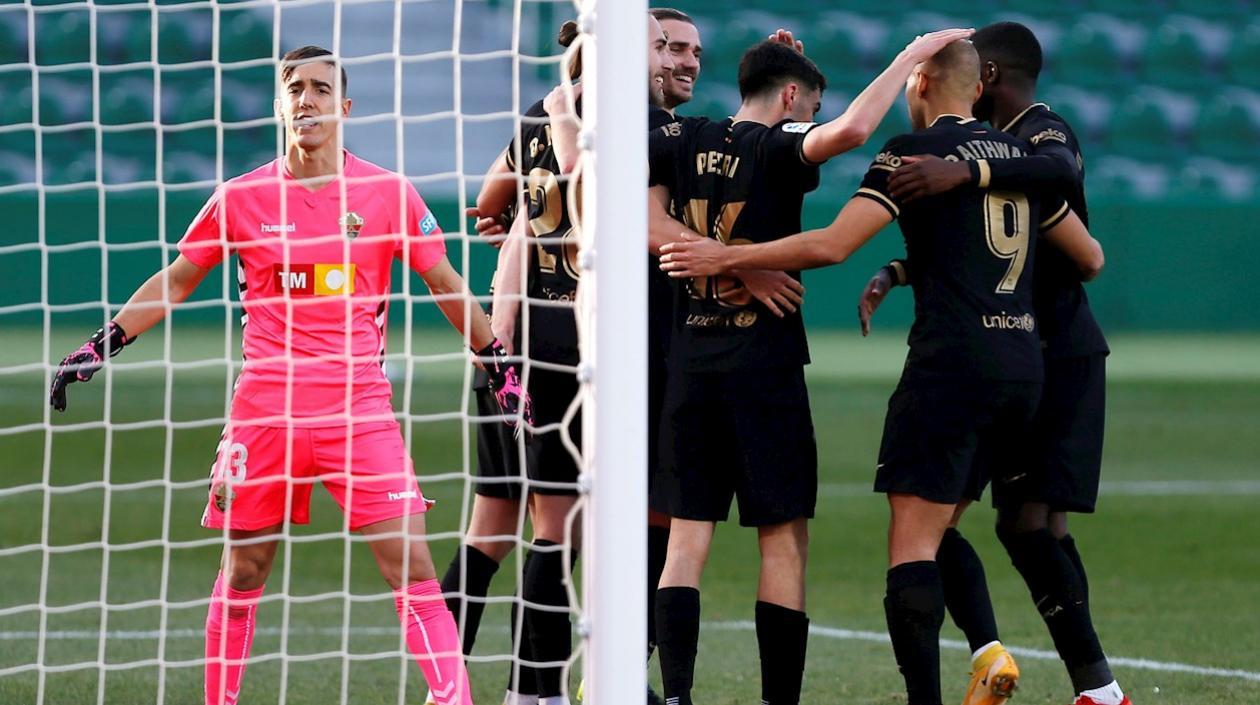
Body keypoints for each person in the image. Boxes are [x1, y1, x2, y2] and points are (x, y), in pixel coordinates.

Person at [48, 46, 530, 705]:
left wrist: (498, 364)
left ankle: (455, 701)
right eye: (295, 88)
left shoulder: (388, 193)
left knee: (412, 565)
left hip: (358, 409)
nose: (307, 98)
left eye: (321, 88)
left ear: (344, 106)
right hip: (265, 411)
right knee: (244, 569)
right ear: (280, 105)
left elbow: (444, 283)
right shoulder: (241, 196)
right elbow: (178, 279)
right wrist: (101, 345)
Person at [657, 38, 1106, 705]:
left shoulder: (912, 154)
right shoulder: (1017, 159)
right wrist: (912, 268)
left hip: (946, 365)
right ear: (975, 89)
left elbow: (833, 243)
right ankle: (1044, 667)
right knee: (973, 525)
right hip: (1023, 366)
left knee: (912, 543)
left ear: (919, 83)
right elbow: (1089, 258)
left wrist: (724, 259)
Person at [645, 28, 973, 705]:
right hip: (763, 367)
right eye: (810, 105)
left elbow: (643, 221)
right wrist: (907, 58)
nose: (814, 118)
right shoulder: (778, 145)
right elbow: (852, 131)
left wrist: (713, 254)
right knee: (782, 538)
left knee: (686, 540)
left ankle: (674, 696)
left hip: (690, 363)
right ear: (791, 96)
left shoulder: (678, 137)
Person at [862, 22, 1129, 705]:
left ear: (986, 78)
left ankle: (1098, 687)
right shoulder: (993, 145)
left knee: (1032, 523)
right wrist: (900, 268)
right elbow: (978, 247)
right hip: (1014, 351)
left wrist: (968, 170)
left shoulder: (1042, 130)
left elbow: (1061, 182)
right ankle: (1005, 658)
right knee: (972, 522)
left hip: (1058, 350)